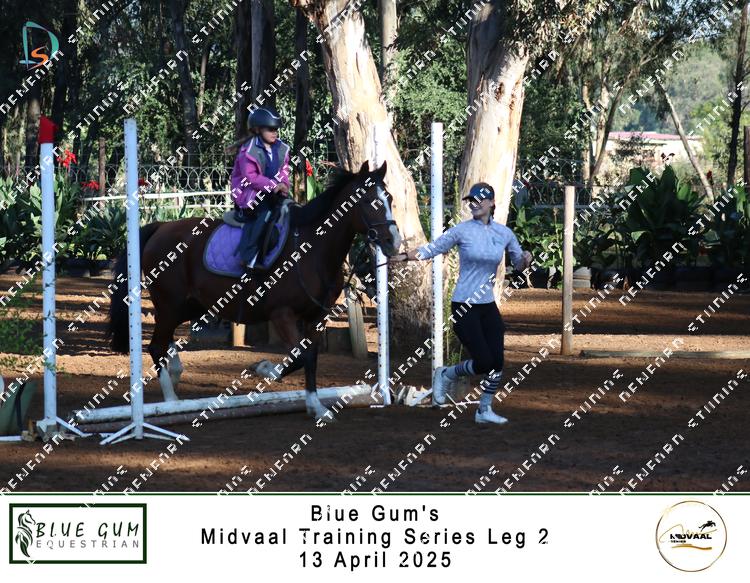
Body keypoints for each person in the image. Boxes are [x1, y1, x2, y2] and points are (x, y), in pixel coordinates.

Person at [391, 182, 532, 425]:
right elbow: (433, 248)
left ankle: (484, 410)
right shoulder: (462, 231)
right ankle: (447, 374)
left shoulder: (504, 234)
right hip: (464, 305)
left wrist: (526, 260)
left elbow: (519, 264)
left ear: (491, 203)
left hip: (487, 305)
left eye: (479, 200)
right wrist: (404, 257)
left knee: (497, 362)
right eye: (471, 200)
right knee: (484, 362)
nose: (473, 204)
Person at [229, 106, 291, 270]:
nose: (274, 132)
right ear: (257, 129)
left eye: (276, 129)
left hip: (273, 192)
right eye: (270, 129)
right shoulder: (248, 151)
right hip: (250, 194)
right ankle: (248, 257)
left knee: (290, 209)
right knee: (266, 213)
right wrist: (273, 186)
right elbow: (250, 177)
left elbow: (284, 170)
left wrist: (284, 184)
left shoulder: (281, 148)